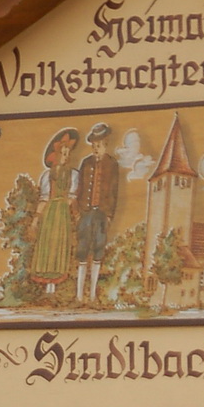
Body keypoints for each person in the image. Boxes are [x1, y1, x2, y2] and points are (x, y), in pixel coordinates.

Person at [74, 122, 120, 305]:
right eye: (93, 145)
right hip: (85, 213)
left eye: (98, 145)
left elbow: (114, 192)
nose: (95, 148)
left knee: (98, 250)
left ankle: (92, 296)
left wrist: (109, 216)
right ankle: (78, 296)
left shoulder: (112, 164)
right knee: (82, 251)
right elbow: (79, 188)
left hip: (102, 215)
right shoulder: (86, 163)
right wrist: (77, 212)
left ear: (105, 143)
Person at [30, 128, 80, 294]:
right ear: (56, 155)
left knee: (59, 247)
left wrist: (77, 215)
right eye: (63, 153)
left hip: (62, 214)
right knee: (47, 247)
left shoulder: (73, 175)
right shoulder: (47, 176)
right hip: (50, 213)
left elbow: (72, 198)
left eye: (68, 153)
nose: (66, 156)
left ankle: (55, 289)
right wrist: (36, 220)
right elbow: (44, 199)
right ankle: (46, 290)